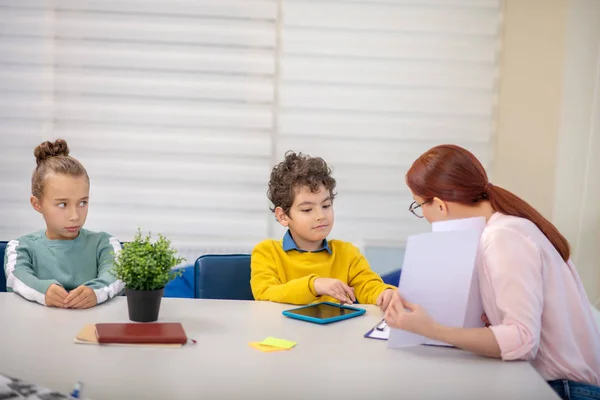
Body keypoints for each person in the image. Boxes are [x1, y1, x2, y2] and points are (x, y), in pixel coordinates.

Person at [384, 144, 600, 399]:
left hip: (566, 389)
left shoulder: (503, 237)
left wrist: (431, 329)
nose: (423, 214)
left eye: (419, 206)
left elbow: (522, 340)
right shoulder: (505, 226)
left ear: (440, 205)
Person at [251, 151, 396, 310]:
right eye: (307, 210)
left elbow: (368, 285)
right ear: (283, 216)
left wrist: (385, 292)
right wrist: (313, 285)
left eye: (326, 206)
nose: (321, 216)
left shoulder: (347, 254)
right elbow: (265, 293)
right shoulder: (267, 252)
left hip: (334, 333)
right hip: (284, 333)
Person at [3, 139, 124, 308]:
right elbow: (16, 278)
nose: (75, 216)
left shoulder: (105, 243)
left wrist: (95, 292)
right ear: (37, 204)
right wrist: (44, 291)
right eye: (62, 204)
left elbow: (117, 275)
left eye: (82, 203)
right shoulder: (19, 247)